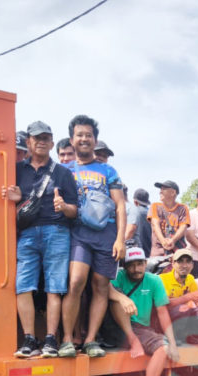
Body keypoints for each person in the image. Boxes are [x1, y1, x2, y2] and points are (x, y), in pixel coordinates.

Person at [2, 121, 79, 358]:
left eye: (46, 137)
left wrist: (64, 206)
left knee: (55, 287)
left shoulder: (63, 173)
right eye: (37, 137)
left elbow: (75, 211)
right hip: (27, 233)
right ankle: (28, 338)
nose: (42, 141)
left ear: (52, 143)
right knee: (23, 285)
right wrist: (14, 199)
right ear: (28, 142)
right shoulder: (15, 169)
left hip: (56, 231)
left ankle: (50, 340)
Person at [59, 115, 127, 358]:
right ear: (72, 139)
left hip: (106, 233)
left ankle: (90, 341)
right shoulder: (64, 169)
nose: (84, 138)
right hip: (78, 232)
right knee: (76, 281)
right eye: (80, 135)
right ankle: (67, 339)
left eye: (88, 135)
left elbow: (120, 206)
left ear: (94, 140)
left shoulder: (108, 170)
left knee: (100, 286)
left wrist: (120, 239)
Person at [108, 246, 180, 376]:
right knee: (117, 299)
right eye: (131, 265)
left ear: (145, 263)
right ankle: (134, 341)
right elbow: (105, 289)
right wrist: (122, 298)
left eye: (139, 264)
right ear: (125, 266)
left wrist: (173, 342)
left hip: (142, 329)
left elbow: (162, 312)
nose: (136, 269)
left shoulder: (154, 280)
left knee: (164, 348)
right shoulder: (118, 277)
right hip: (117, 328)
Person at [159, 248, 198, 322]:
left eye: (188, 262)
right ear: (173, 264)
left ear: (192, 265)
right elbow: (164, 305)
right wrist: (188, 297)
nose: (184, 265)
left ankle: (197, 332)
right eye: (180, 261)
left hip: (184, 316)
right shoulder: (162, 279)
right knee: (183, 309)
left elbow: (197, 303)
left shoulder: (190, 278)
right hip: (165, 317)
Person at [148, 180, 190, 257]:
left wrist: (173, 240)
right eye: (160, 189)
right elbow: (155, 224)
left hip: (177, 253)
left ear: (173, 192)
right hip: (158, 252)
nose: (160, 192)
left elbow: (183, 227)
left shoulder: (183, 208)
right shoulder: (155, 206)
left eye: (163, 189)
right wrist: (163, 241)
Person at [126, 188, 152, 255]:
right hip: (151, 252)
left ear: (135, 201)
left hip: (138, 253)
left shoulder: (134, 212)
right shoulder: (152, 213)